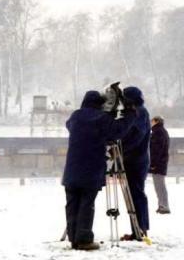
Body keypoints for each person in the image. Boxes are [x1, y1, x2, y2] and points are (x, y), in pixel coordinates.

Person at [62, 90, 137, 250]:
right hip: (91, 169)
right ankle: (84, 239)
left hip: (72, 169)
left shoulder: (75, 117)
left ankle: (73, 238)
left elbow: (69, 125)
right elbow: (118, 131)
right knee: (86, 204)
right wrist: (129, 114)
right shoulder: (101, 118)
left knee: (72, 204)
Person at [119, 86, 151, 241]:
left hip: (136, 160)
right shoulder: (139, 111)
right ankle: (138, 230)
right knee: (134, 194)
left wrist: (120, 148)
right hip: (135, 159)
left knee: (136, 194)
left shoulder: (140, 112)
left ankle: (141, 230)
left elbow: (136, 136)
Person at [150, 116, 170, 214]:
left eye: (152, 121)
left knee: (159, 185)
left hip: (158, 164)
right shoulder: (161, 132)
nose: (151, 123)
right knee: (159, 185)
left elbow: (156, 150)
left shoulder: (158, 132)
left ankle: (164, 205)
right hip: (161, 162)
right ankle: (162, 205)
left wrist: (153, 163)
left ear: (156, 121)